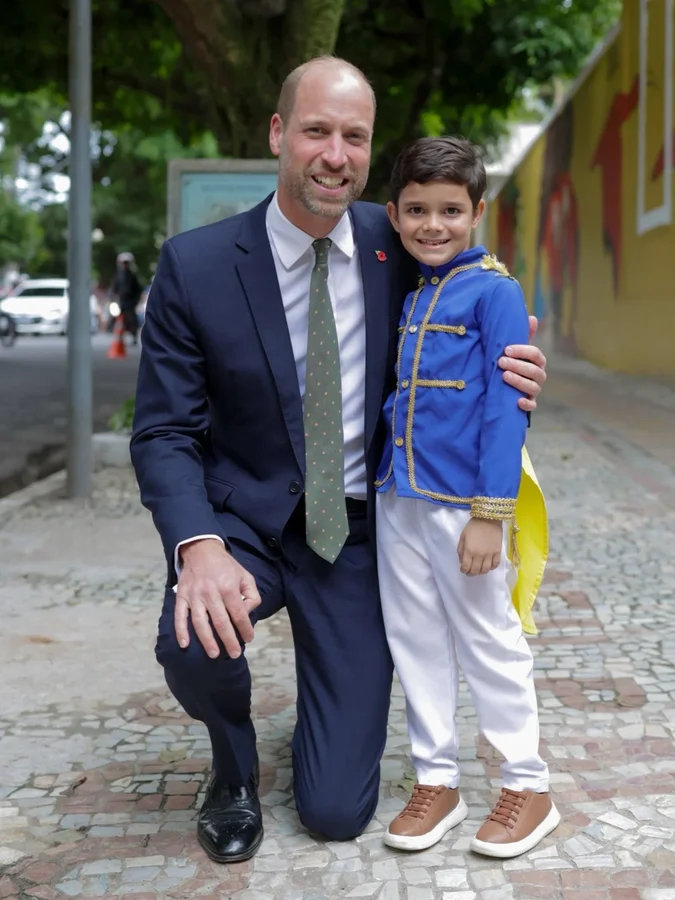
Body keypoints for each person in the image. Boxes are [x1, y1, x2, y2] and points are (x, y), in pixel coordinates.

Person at [130, 56, 548, 864]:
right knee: (191, 638)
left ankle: (351, 740)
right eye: (317, 130)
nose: (335, 153)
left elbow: (472, 340)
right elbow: (163, 433)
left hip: (359, 531)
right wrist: (199, 545)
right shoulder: (197, 264)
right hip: (243, 520)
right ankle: (233, 763)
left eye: (353, 136)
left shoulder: (399, 244)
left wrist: (522, 371)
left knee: (333, 811)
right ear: (279, 134)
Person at [375, 136, 559, 858]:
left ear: (476, 212)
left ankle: (527, 783)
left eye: (449, 210)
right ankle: (436, 779)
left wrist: (490, 515)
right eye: (416, 209)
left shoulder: (496, 291)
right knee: (415, 642)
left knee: (489, 642)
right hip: (398, 500)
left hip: (464, 506)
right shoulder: (410, 287)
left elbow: (502, 411)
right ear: (392, 214)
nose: (432, 225)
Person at [113, 252, 142, 344]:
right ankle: (120, 337)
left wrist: (135, 301)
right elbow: (115, 288)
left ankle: (133, 336)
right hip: (122, 301)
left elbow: (138, 289)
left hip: (131, 301)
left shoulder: (133, 275)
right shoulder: (119, 275)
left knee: (131, 319)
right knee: (121, 320)